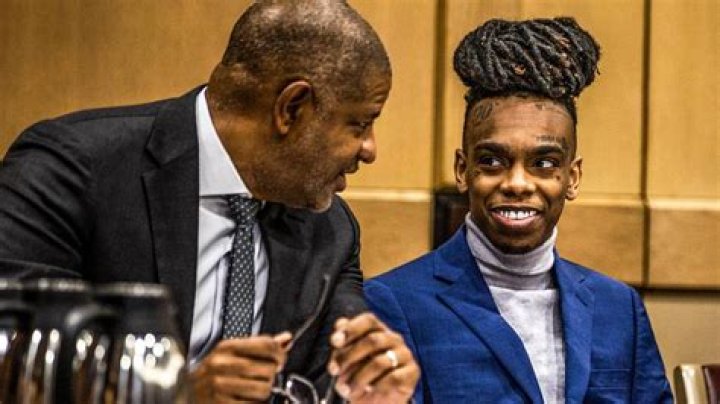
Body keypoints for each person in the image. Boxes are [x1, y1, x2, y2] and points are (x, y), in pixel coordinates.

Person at [0, 0, 419, 402]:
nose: (370, 150)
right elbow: (16, 360)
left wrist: (374, 378)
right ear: (291, 108)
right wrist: (174, 395)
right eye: (359, 125)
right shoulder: (72, 170)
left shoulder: (331, 230)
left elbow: (338, 372)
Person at [365, 17, 672, 403]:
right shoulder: (394, 302)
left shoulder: (619, 308)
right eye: (492, 161)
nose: (517, 183)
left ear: (572, 177)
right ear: (462, 170)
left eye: (543, 163)